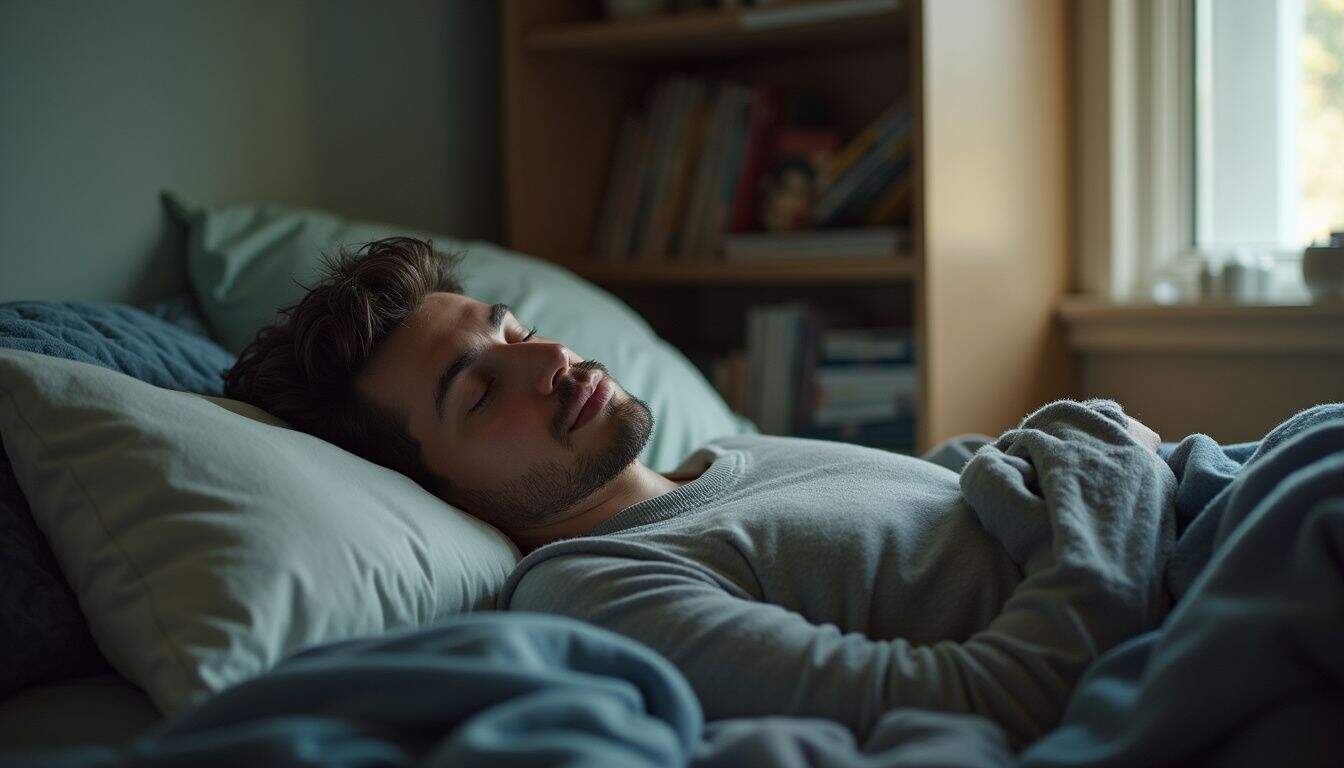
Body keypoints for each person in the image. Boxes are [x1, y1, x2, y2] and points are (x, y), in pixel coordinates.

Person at [226, 236, 1174, 748]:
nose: (550, 359)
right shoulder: (600, 589)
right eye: (479, 391)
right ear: (439, 495)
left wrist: (1065, 454)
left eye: (511, 331)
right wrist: (1104, 456)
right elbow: (996, 701)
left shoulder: (736, 450)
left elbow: (960, 489)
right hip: (1186, 580)